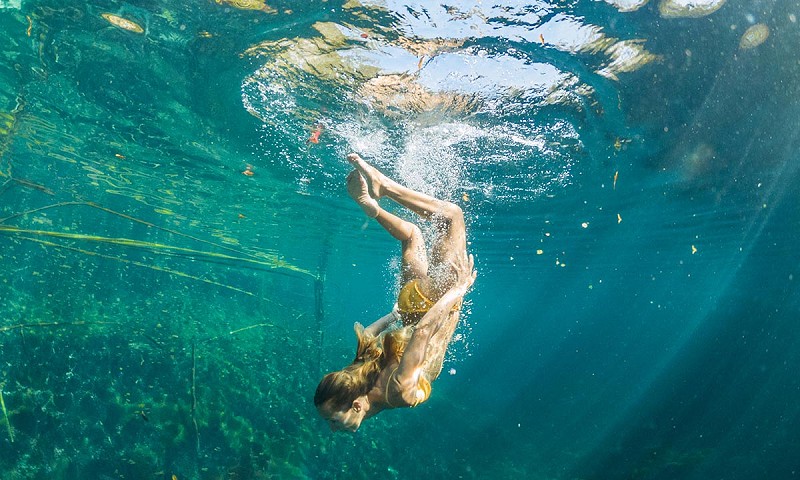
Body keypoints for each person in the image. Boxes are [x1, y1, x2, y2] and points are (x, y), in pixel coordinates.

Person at [314, 153, 476, 432]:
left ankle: (384, 186)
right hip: (410, 304)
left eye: (333, 420)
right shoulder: (360, 375)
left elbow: (425, 331)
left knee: (451, 216)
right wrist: (394, 315)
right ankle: (373, 209)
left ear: (355, 406)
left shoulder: (399, 393)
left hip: (435, 304)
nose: (332, 428)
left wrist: (458, 289)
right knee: (412, 234)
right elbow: (367, 334)